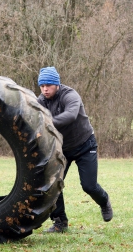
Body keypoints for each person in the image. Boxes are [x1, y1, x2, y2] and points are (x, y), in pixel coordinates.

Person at [36, 66, 113, 233]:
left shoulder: (70, 95)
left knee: (89, 186)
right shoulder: (41, 101)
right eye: (42, 86)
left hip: (85, 145)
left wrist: (46, 122)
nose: (45, 89)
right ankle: (59, 222)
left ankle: (104, 201)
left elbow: (70, 115)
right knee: (53, 184)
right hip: (62, 149)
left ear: (57, 84)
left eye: (48, 85)